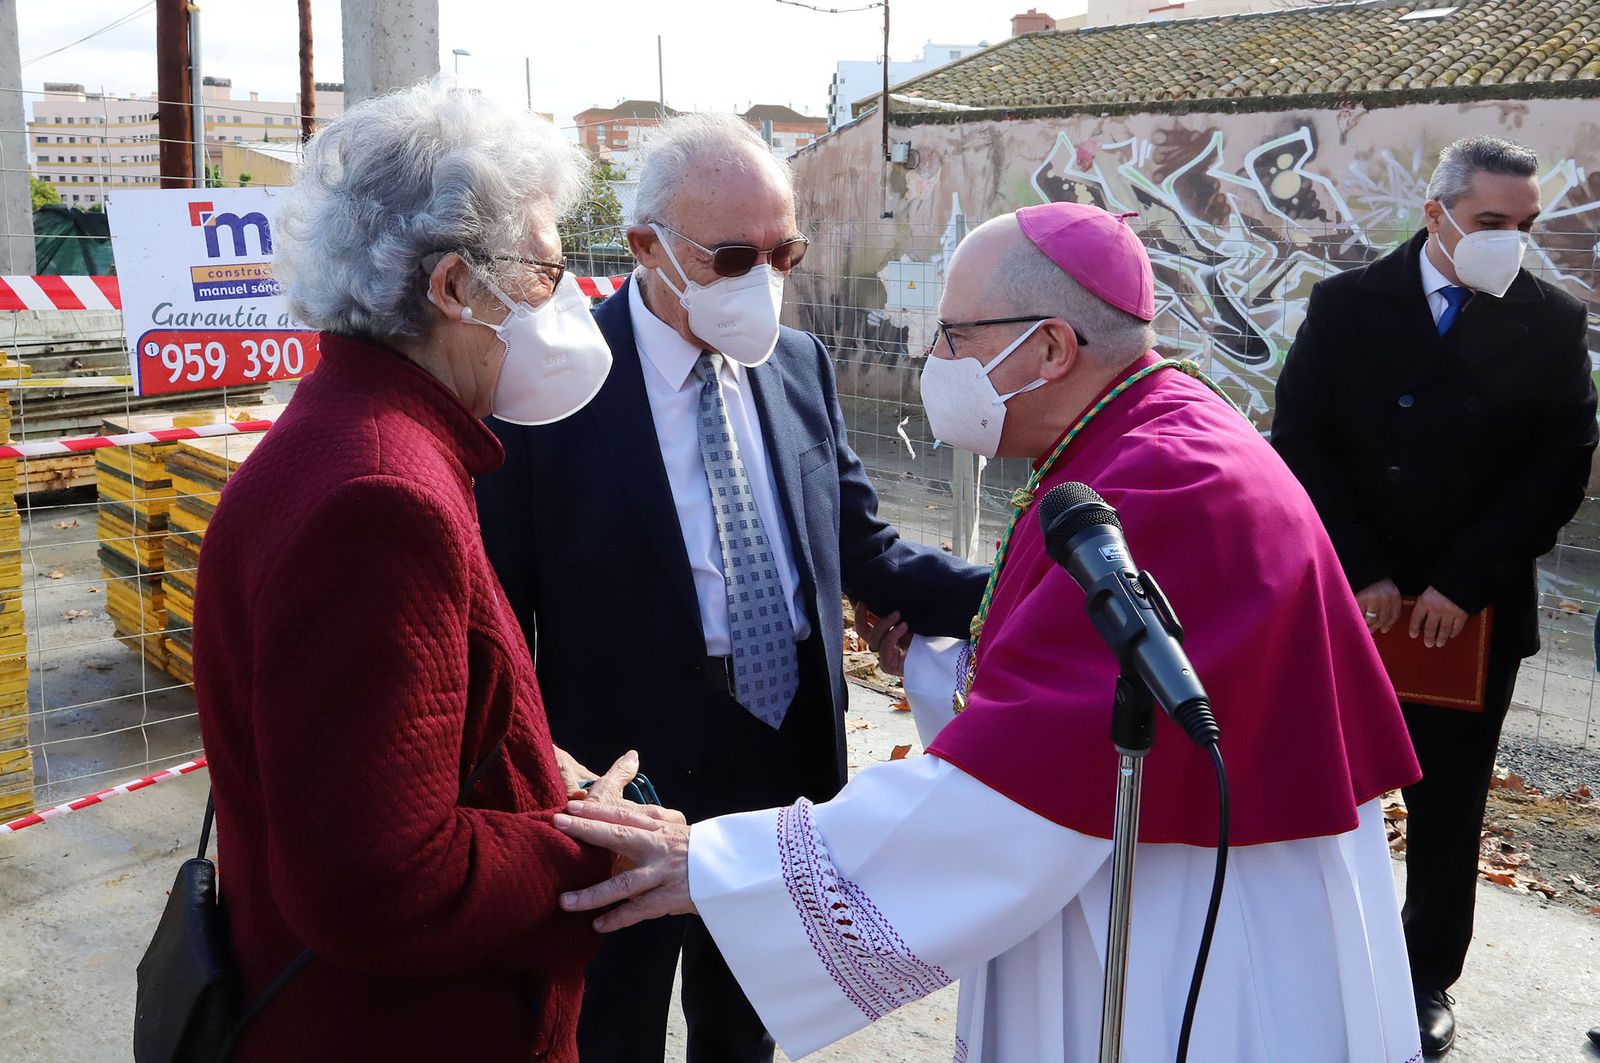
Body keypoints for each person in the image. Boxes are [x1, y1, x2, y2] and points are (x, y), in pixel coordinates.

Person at [548, 202, 1426, 1062]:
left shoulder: (1167, 480)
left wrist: (712, 862)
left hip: (1191, 931)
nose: (935, 360)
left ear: (1050, 348)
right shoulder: (1134, 432)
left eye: (954, 336)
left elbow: (1016, 795)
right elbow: (1063, 687)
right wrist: (952, 652)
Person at [474, 111, 987, 1063]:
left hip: (782, 749)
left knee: (746, 1027)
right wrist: (535, 778)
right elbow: (494, 612)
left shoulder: (798, 365)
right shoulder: (552, 384)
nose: (765, 281)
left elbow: (863, 549)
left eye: (783, 253)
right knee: (609, 1028)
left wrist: (1020, 593)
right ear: (647, 247)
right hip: (622, 773)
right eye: (734, 258)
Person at [192, 81, 638, 1061]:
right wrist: (589, 843)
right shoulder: (380, 497)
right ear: (454, 288)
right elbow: (374, 880)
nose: (566, 301)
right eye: (544, 271)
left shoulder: (359, 431)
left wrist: (529, 766)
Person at [1272, 135, 1598, 1056]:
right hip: (1352, 598)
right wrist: (1364, 567)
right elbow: (1302, 440)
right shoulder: (1346, 304)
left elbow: (1559, 467)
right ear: (1436, 214)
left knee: (1449, 806)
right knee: (1326, 786)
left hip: (1474, 611)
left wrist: (1462, 581)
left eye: (1525, 224)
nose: (1511, 241)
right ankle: (1310, 955)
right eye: (1492, 220)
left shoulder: (1550, 319)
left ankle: (1421, 977)